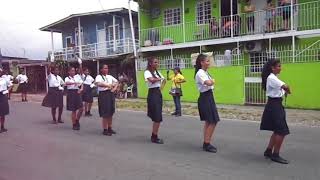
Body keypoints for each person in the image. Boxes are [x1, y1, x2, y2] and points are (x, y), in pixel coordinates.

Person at [260, 59, 291, 164]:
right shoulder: (272, 78)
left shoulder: (273, 78)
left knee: (277, 130)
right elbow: (285, 86)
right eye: (278, 66)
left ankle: (269, 151)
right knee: (281, 131)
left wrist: (284, 91)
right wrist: (288, 90)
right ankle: (275, 154)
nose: (280, 68)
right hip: (274, 105)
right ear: (272, 68)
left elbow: (281, 88)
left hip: (275, 104)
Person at [195, 54, 220, 153]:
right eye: (207, 61)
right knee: (213, 121)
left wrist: (211, 81)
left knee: (209, 121)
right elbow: (208, 83)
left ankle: (206, 142)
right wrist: (212, 81)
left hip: (208, 96)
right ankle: (207, 143)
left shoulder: (205, 72)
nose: (209, 63)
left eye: (209, 61)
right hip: (205, 97)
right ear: (201, 62)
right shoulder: (200, 73)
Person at [144, 57, 166, 144]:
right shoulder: (147, 72)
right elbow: (151, 80)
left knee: (158, 116)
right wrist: (159, 79)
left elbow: (164, 81)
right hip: (152, 93)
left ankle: (154, 135)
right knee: (157, 116)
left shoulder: (158, 72)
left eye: (157, 62)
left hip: (157, 92)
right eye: (155, 62)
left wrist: (161, 89)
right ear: (150, 63)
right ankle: (154, 136)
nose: (157, 64)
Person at [95, 64, 118, 136]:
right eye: (104, 68)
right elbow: (98, 83)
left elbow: (116, 82)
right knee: (105, 112)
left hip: (110, 94)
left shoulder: (109, 76)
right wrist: (108, 85)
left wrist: (114, 88)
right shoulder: (99, 76)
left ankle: (109, 128)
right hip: (103, 95)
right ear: (101, 69)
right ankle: (105, 129)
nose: (106, 69)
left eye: (107, 68)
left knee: (111, 111)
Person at [65, 66, 84, 130]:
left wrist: (81, 89)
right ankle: (74, 124)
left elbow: (81, 83)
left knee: (81, 108)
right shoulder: (67, 78)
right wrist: (74, 82)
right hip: (71, 93)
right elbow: (67, 83)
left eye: (74, 71)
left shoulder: (77, 76)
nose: (73, 72)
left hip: (77, 92)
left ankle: (77, 120)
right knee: (74, 110)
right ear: (69, 72)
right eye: (72, 71)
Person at [0, 67, 12, 133]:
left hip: (3, 95)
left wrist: (7, 91)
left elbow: (10, 85)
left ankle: (2, 127)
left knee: (3, 112)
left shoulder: (4, 79)